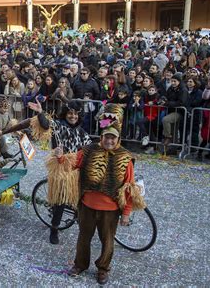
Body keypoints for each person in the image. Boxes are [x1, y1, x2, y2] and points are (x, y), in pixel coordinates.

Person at [67, 104, 146, 285]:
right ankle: (80, 264)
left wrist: (126, 213)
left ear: (117, 138)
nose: (109, 141)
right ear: (101, 137)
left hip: (110, 210)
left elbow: (129, 188)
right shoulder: (88, 150)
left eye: (113, 138)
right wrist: (59, 157)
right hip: (87, 205)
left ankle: (103, 269)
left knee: (108, 241)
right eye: (106, 137)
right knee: (83, 237)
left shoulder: (125, 158)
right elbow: (70, 163)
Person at [25, 100, 93, 244]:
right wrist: (40, 112)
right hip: (60, 168)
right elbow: (45, 125)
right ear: (65, 114)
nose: (72, 116)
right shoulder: (58, 126)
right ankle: (54, 229)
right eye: (70, 113)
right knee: (60, 200)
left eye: (75, 114)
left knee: (81, 199)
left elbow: (89, 148)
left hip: (75, 169)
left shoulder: (81, 132)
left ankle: (82, 225)